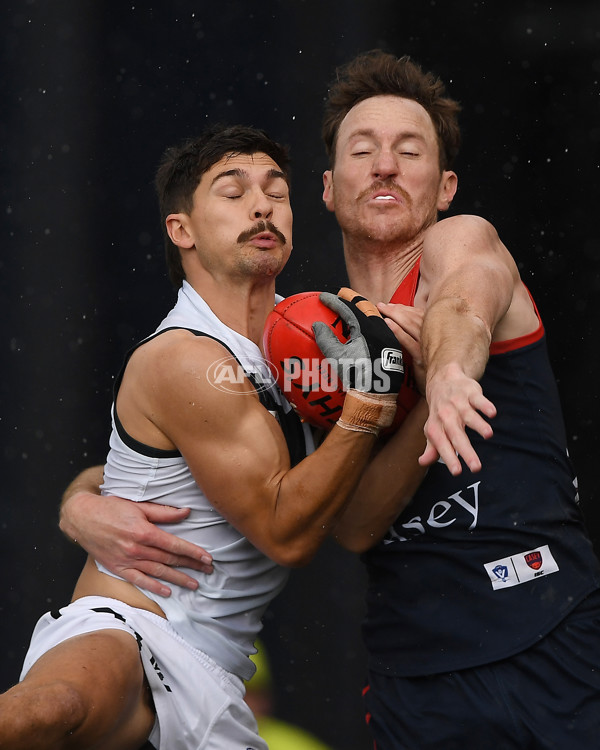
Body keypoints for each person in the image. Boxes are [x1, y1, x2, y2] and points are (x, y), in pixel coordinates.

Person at [58, 51, 600, 748]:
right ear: (326, 188)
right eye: (362, 150)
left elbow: (464, 301)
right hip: (416, 670)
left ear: (444, 188)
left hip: (546, 625)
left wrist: (450, 376)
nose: (384, 166)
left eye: (410, 152)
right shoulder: (312, 338)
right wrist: (80, 504)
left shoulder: (462, 240)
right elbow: (348, 524)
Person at [0, 123, 426, 750]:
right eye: (233, 192)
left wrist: (429, 392)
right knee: (50, 708)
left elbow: (354, 525)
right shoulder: (186, 357)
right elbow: (285, 532)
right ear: (182, 230)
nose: (262, 205)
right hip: (128, 625)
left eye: (276, 191)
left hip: (217, 674)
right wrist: (369, 404)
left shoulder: (311, 342)